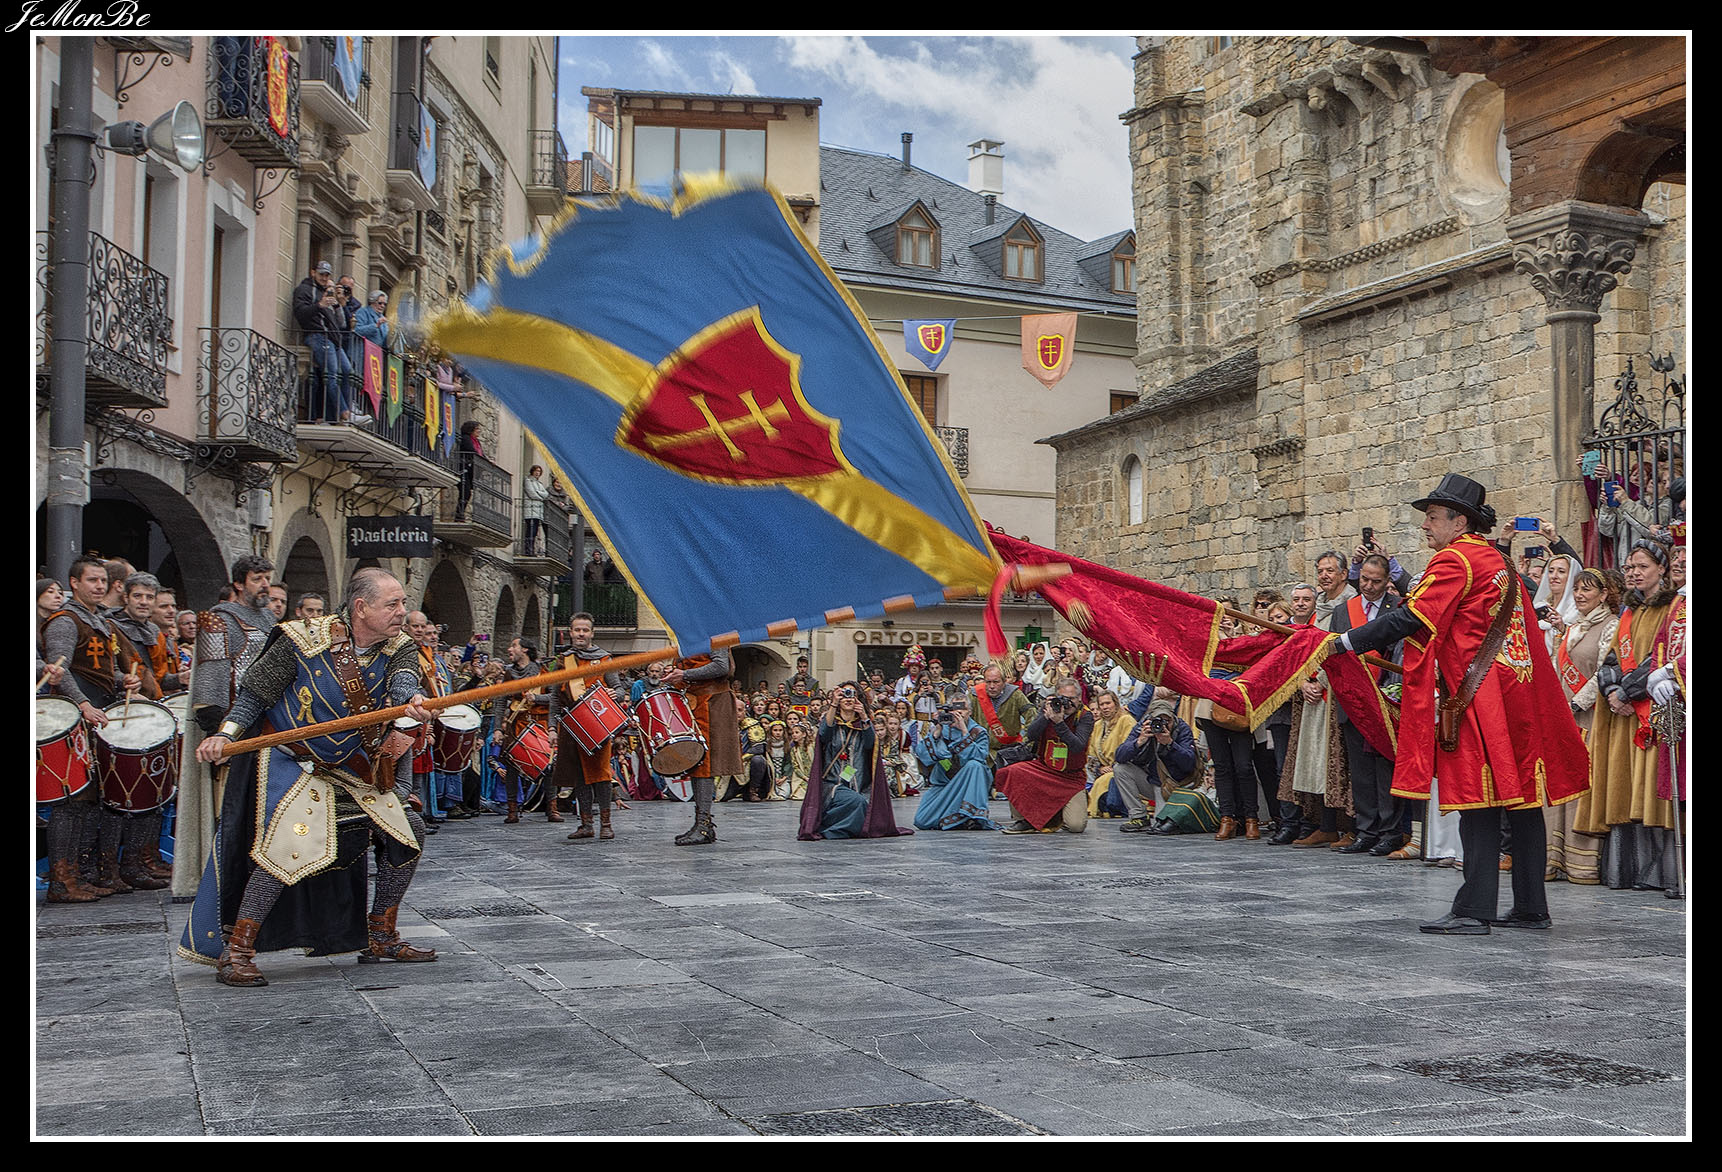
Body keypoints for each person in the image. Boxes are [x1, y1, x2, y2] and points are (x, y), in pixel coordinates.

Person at [1339, 474, 1591, 934]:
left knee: (1478, 798)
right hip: (1519, 691)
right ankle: (1531, 906)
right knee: (1522, 801)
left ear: (1459, 522)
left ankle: (1474, 909)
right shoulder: (1497, 560)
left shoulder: (1455, 560)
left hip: (1483, 696)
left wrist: (1345, 642)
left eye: (1433, 517)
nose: (1426, 525)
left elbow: (1411, 617)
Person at [180, 568, 438, 985]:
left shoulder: (400, 646)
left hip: (349, 768)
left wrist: (411, 700)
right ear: (361, 607)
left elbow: (403, 681)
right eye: (392, 604)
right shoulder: (300, 639)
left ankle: (380, 934)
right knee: (288, 844)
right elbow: (256, 694)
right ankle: (237, 950)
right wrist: (225, 734)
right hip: (293, 763)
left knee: (408, 830)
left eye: (402, 604)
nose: (401, 612)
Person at [1574, 540, 1684, 890]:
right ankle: (1630, 869)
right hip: (1623, 714)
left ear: (1662, 569)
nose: (1635, 573)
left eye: (1642, 566)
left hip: (1651, 710)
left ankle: (1662, 871)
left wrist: (1627, 691)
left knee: (1650, 790)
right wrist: (1610, 689)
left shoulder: (1674, 608)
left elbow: (1661, 657)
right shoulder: (1628, 611)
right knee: (1625, 787)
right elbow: (1610, 657)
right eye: (1630, 567)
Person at [39, 558, 146, 902]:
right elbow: (60, 670)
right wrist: (83, 704)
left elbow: (98, 671)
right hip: (75, 718)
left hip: (96, 713)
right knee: (72, 801)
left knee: (89, 802)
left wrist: (123, 679)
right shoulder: (65, 621)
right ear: (74, 583)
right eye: (92, 580)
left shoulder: (98, 621)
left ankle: (81, 875)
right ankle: (61, 882)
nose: (100, 586)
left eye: (103, 581)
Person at [174, 555, 278, 898]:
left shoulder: (269, 619)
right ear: (238, 583)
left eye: (267, 578)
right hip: (232, 724)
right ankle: (227, 878)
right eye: (257, 579)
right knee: (231, 808)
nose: (264, 585)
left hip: (268, 726)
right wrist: (220, 732)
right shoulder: (217, 621)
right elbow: (211, 685)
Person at [1544, 568, 1621, 884]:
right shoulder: (1573, 626)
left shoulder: (1611, 625)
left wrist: (1577, 703)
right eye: (1577, 589)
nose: (1579, 595)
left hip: (1588, 716)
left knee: (1581, 783)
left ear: (1603, 595)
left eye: (1587, 589)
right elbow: (1556, 667)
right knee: (1557, 782)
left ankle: (1581, 861)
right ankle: (1552, 857)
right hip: (1562, 716)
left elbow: (1604, 670)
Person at [1328, 554, 1405, 856]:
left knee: (1385, 768)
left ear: (1387, 581)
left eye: (1376, 581)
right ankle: (1365, 830)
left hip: (1385, 699)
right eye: (1364, 580)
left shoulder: (1398, 608)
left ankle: (1390, 831)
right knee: (1360, 771)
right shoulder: (1342, 611)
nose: (1369, 586)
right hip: (1354, 700)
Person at [798, 683, 912, 840]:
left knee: (864, 805)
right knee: (856, 802)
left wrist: (864, 716)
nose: (848, 698)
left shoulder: (863, 724)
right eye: (844, 694)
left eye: (852, 694)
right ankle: (830, 830)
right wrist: (833, 704)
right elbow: (823, 734)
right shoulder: (832, 722)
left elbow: (871, 744)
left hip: (857, 782)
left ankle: (842, 828)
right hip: (833, 783)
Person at [547, 613, 624, 839]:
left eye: (585, 630)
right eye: (577, 630)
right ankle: (586, 824)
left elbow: (619, 690)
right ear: (571, 632)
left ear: (592, 633)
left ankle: (606, 824)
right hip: (571, 726)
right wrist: (551, 728)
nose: (581, 634)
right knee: (579, 775)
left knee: (601, 773)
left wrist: (615, 694)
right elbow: (554, 697)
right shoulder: (563, 661)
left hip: (597, 725)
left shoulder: (605, 659)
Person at [996, 677, 1095, 835]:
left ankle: (1058, 812)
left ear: (1079, 698)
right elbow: (1031, 735)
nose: (1068, 703)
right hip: (1044, 769)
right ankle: (1023, 820)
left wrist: (1059, 723)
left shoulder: (1085, 716)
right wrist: (1045, 716)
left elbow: (1077, 746)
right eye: (1063, 698)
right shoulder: (1049, 709)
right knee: (1013, 771)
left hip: (1071, 776)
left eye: (1072, 698)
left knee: (1076, 826)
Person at [665, 645, 739, 846]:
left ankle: (703, 825)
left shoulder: (713, 632)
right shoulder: (688, 636)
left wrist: (684, 674)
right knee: (697, 763)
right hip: (696, 702)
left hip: (711, 702)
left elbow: (721, 666)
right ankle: (701, 823)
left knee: (704, 763)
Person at [1112, 689, 1198, 831]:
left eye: (1167, 721)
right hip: (1151, 780)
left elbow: (1189, 764)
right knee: (1120, 769)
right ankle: (1139, 816)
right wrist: (1139, 742)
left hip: (1173, 784)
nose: (1162, 725)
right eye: (1158, 720)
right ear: (1150, 719)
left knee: (1161, 824)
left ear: (1173, 717)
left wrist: (1170, 744)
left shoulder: (1182, 729)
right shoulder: (1143, 727)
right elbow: (1120, 756)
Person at [487, 637, 546, 824]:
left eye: (514, 646)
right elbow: (500, 702)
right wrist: (497, 729)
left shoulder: (542, 671)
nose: (509, 649)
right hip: (516, 724)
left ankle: (552, 807)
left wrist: (536, 698)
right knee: (511, 764)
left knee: (547, 763)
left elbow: (555, 698)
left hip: (538, 722)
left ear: (525, 650)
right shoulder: (509, 673)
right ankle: (512, 809)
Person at [912, 701, 997, 830]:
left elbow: (979, 757)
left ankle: (971, 816)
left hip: (969, 784)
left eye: (962, 710)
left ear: (970, 712)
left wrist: (964, 732)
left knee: (975, 766)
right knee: (922, 821)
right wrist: (936, 732)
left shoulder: (978, 732)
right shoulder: (942, 728)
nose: (958, 714)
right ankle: (959, 820)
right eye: (954, 711)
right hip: (944, 783)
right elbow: (923, 756)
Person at [1084, 690, 1137, 819]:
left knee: (1102, 782)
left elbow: (1129, 749)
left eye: (1108, 703)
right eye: (1102, 704)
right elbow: (1091, 753)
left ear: (1116, 703)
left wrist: (1114, 767)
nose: (1105, 707)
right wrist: (1100, 768)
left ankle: (1096, 809)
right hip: (1103, 770)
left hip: (1124, 768)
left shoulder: (1126, 720)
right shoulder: (1098, 725)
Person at [970, 662, 1032, 769]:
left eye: (996, 682)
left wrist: (1026, 742)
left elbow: (1031, 715)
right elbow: (965, 719)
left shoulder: (1015, 694)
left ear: (1004, 682)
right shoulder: (974, 695)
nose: (991, 686)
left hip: (1009, 750)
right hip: (981, 750)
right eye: (988, 682)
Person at [455, 422, 483, 522]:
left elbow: (481, 454)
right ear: (471, 430)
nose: (479, 431)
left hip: (470, 471)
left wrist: (488, 461)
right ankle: (459, 515)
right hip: (463, 469)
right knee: (465, 492)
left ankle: (460, 514)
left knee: (466, 492)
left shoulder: (477, 441)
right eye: (477, 429)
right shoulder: (466, 439)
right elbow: (471, 451)